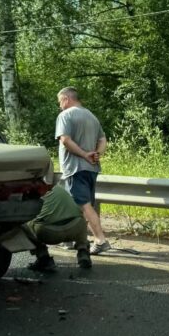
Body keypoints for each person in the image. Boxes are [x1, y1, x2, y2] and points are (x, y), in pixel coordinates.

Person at [55, 86, 110, 255]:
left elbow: (65, 140)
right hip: (91, 169)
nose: (60, 106)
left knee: (84, 206)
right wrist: (97, 154)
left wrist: (85, 155)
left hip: (75, 168)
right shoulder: (91, 116)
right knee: (78, 205)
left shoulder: (65, 115)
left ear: (66, 99)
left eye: (60, 102)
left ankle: (100, 240)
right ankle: (73, 239)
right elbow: (103, 139)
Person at [25, 185, 91, 271]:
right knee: (79, 217)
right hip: (76, 228)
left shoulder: (29, 191)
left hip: (50, 233)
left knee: (24, 224)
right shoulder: (57, 187)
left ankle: (43, 258)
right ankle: (83, 251)